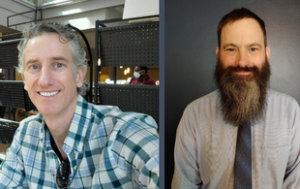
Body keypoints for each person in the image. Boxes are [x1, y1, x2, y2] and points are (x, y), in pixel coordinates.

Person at [0, 22, 159, 188]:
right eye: (34, 66)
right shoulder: (26, 133)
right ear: (25, 80)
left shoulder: (122, 132)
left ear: (79, 75)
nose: (45, 80)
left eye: (58, 64)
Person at [172, 7, 300, 189]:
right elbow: (184, 185)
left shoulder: (291, 112)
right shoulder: (194, 115)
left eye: (253, 49)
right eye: (231, 49)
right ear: (218, 55)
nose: (242, 61)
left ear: (266, 54)